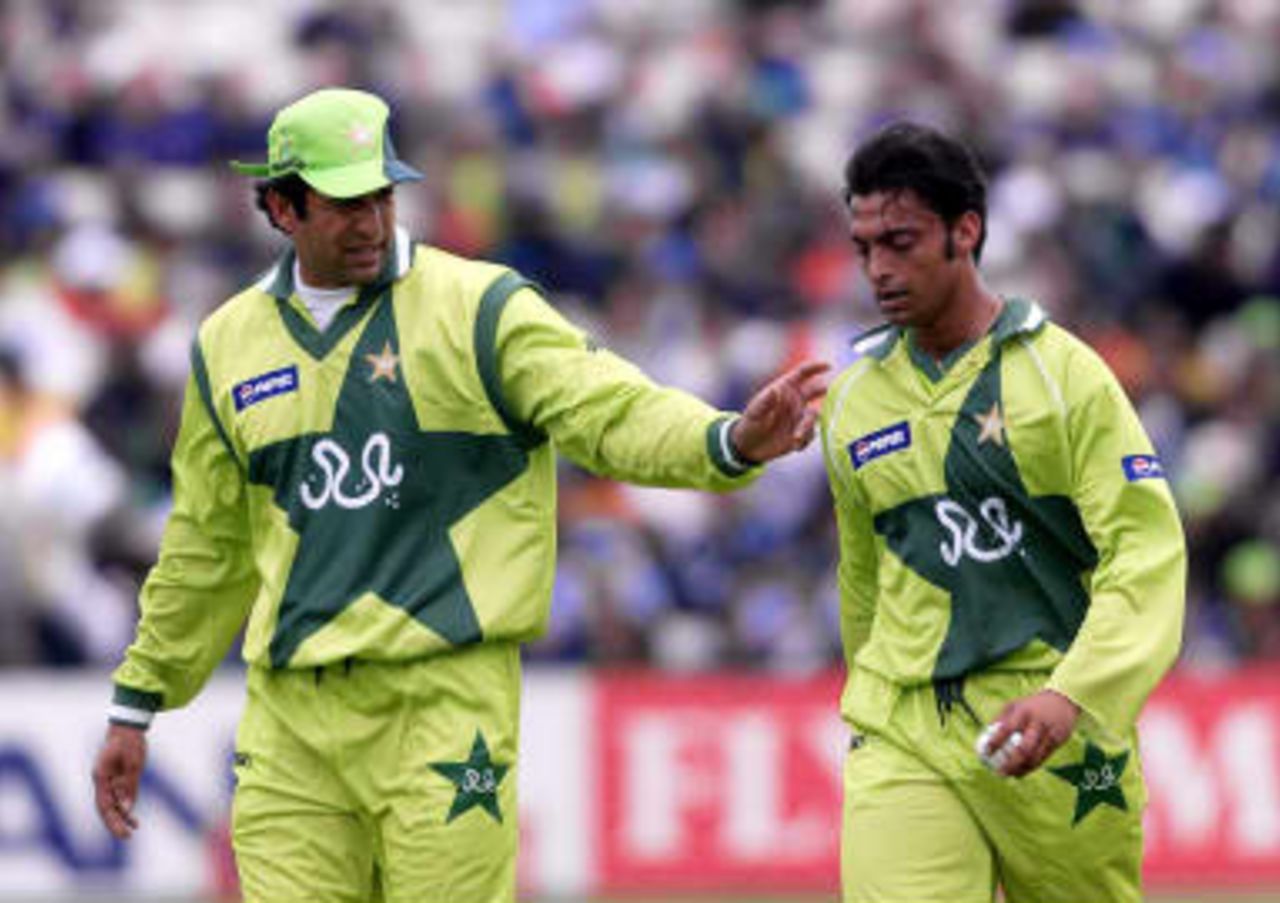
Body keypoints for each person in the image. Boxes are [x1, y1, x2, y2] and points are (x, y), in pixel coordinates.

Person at [91, 87, 828, 903]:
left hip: (443, 704)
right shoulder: (225, 343)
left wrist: (725, 441)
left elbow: (608, 409)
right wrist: (139, 700)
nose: (370, 218)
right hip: (288, 722)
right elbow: (206, 542)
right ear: (280, 206)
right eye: (343, 202)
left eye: (380, 193)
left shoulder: (481, 307)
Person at [819, 121, 1185, 903]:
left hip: (1055, 721)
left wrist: (1074, 692)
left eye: (901, 241)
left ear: (967, 231)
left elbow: (1147, 554)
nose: (878, 269)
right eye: (864, 247)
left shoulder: (1064, 377)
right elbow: (863, 577)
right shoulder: (849, 401)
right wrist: (868, 699)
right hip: (904, 727)